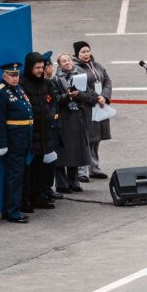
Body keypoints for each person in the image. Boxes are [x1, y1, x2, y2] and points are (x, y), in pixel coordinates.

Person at [0, 61, 34, 223]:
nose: (15, 78)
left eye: (17, 75)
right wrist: (3, 143)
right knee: (14, 176)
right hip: (13, 141)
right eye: (12, 75)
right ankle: (12, 212)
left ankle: (10, 209)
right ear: (4, 75)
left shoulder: (18, 90)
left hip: (23, 139)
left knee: (17, 175)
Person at [18, 51, 59, 213]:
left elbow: (53, 102)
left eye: (42, 67)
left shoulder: (46, 84)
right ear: (29, 67)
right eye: (37, 68)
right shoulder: (22, 84)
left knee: (39, 168)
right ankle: (25, 200)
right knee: (27, 169)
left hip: (43, 133)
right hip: (29, 134)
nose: (40, 71)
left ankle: (38, 196)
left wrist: (50, 115)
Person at [74, 41, 112, 182]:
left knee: (96, 138)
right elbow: (82, 87)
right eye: (83, 52)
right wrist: (97, 98)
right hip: (87, 107)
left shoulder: (97, 65)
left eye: (88, 51)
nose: (86, 54)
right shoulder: (76, 68)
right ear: (77, 54)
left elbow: (107, 82)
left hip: (99, 106)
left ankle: (94, 168)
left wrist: (104, 96)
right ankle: (82, 171)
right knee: (85, 139)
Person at [53, 52, 90, 193]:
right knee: (62, 154)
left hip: (76, 118)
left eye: (69, 60)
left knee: (75, 151)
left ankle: (74, 182)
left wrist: (79, 94)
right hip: (63, 119)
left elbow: (88, 95)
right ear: (59, 65)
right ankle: (62, 184)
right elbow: (56, 99)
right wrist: (67, 96)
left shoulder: (79, 76)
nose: (67, 62)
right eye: (64, 61)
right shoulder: (55, 80)